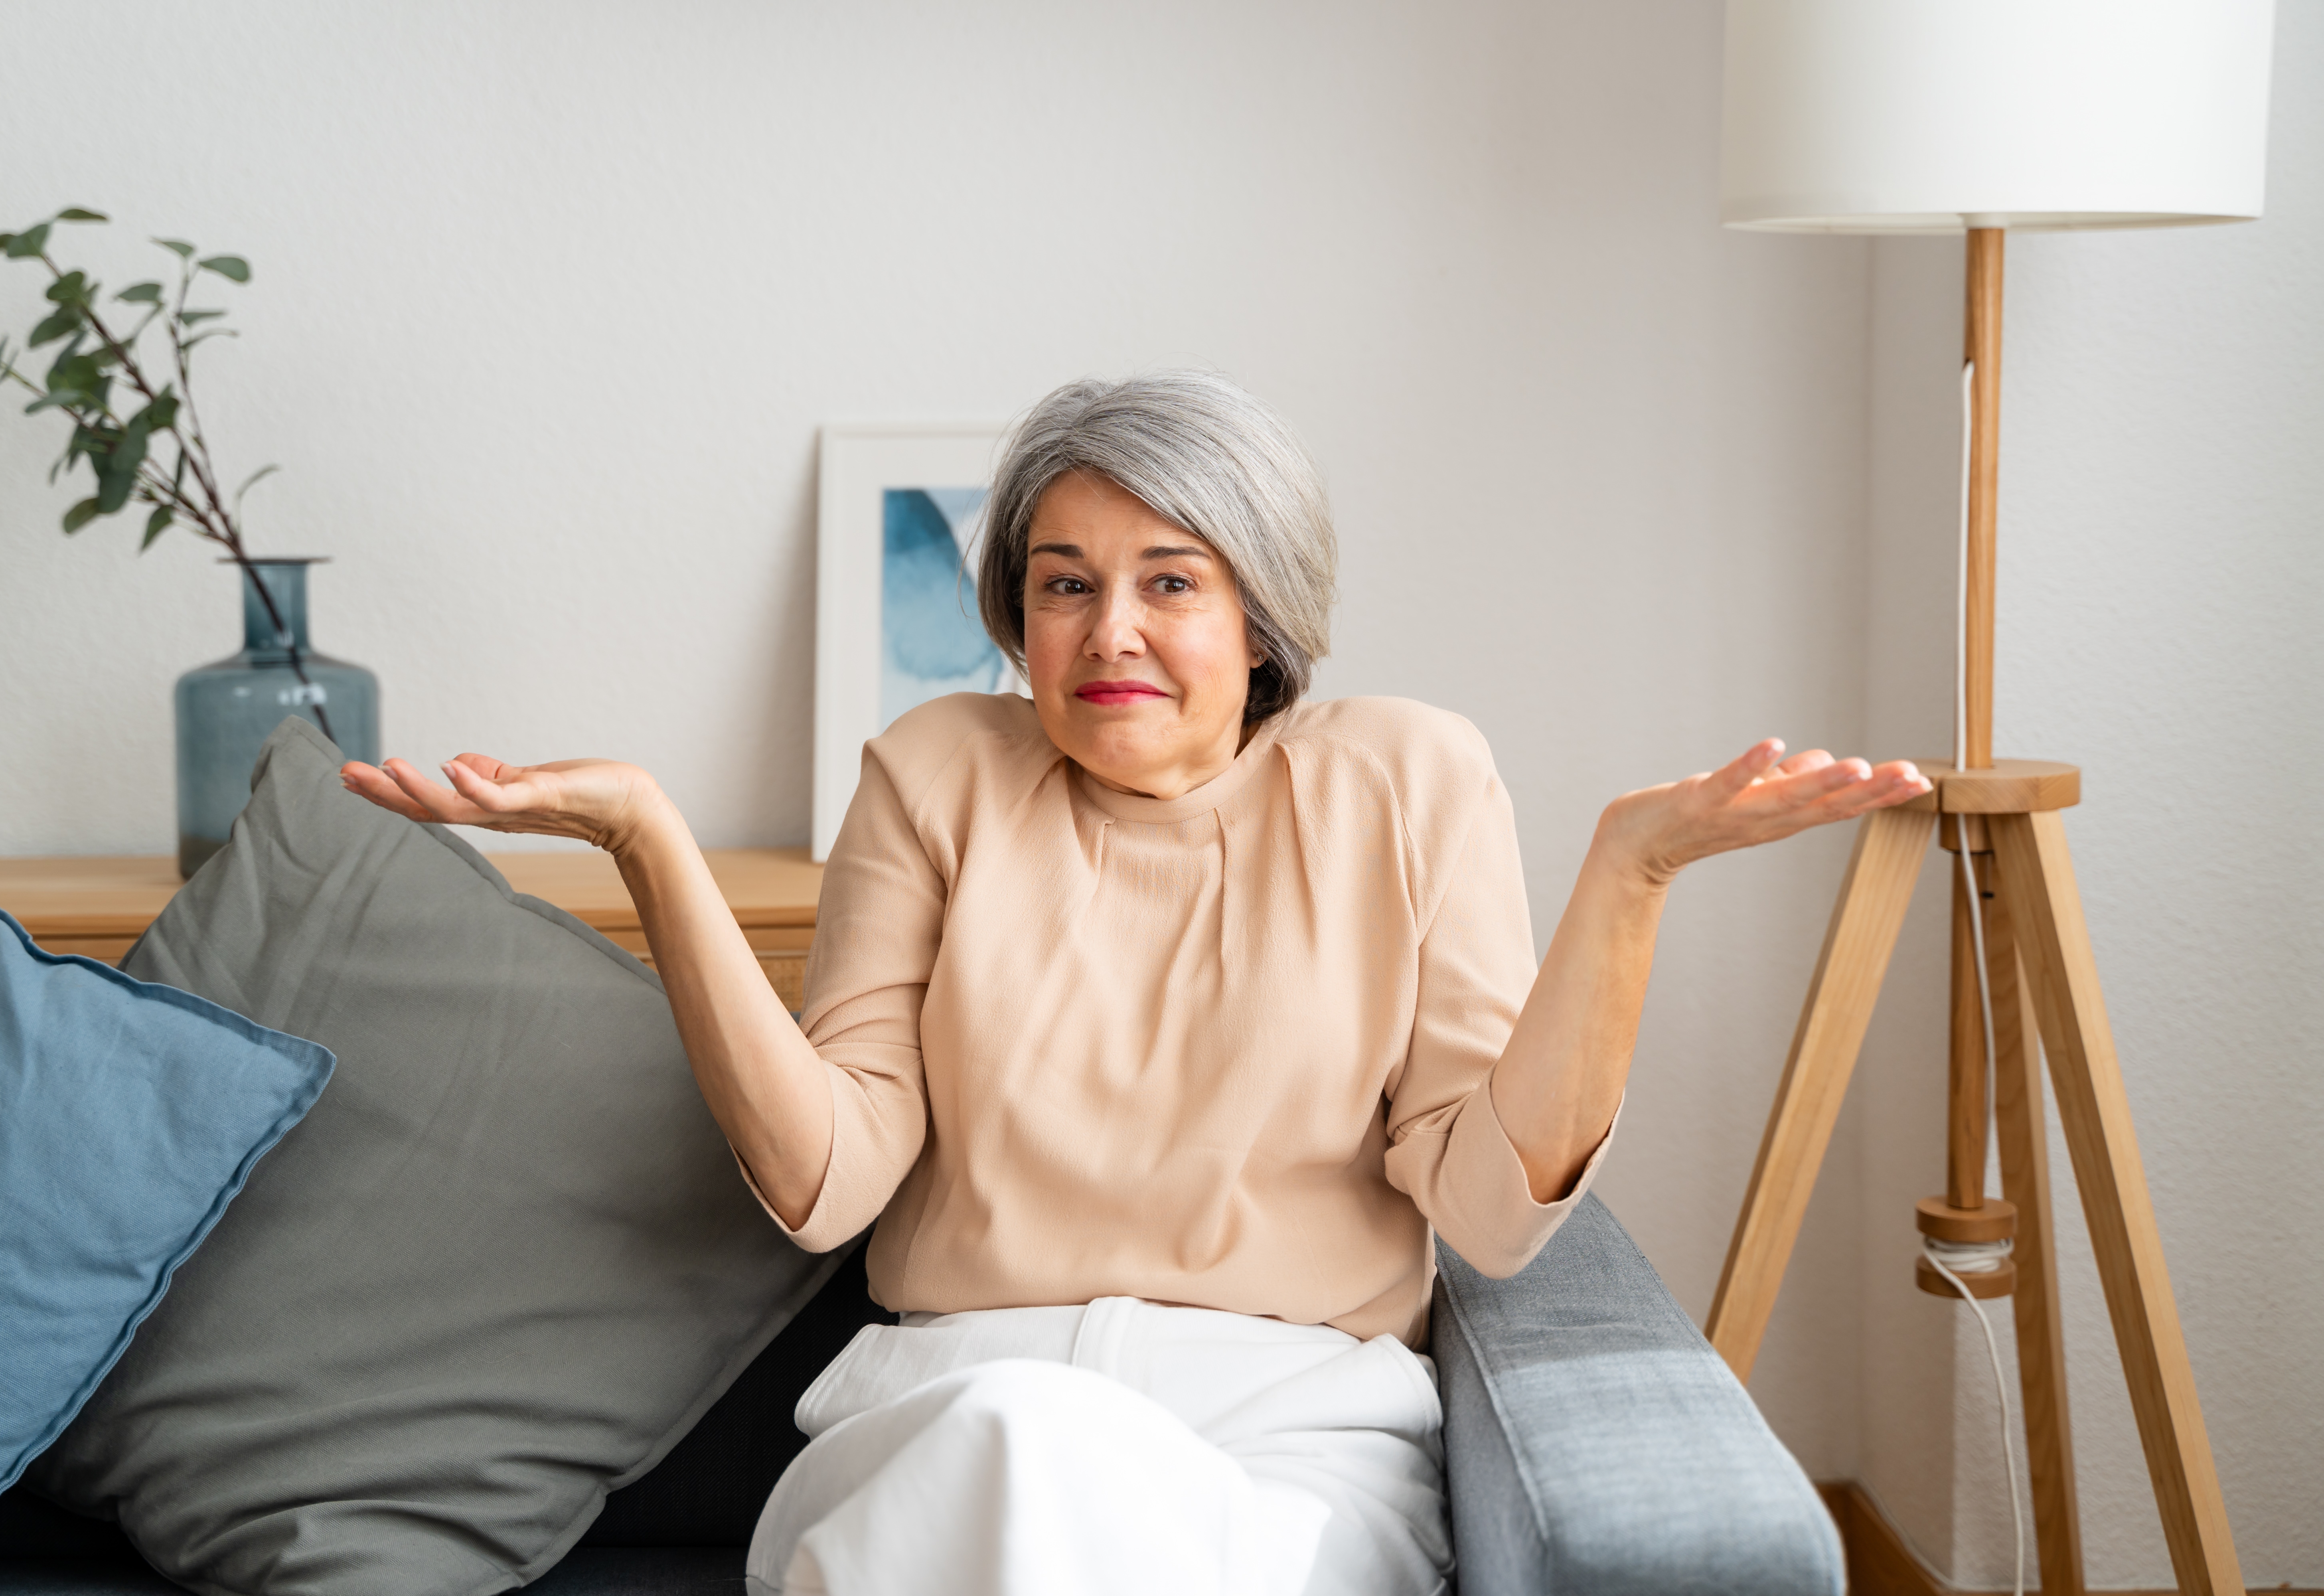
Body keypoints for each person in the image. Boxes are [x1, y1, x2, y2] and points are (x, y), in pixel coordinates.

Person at [341, 371, 1929, 1596]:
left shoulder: (1407, 777)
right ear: (1017, 614)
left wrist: (1629, 881)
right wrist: (647, 840)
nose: (1112, 632)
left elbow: (1493, 1209)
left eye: (1172, 580)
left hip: (1293, 1447)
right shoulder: (938, 772)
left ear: (1261, 617)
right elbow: (828, 1183)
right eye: (1063, 581)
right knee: (1024, 1451)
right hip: (947, 1432)